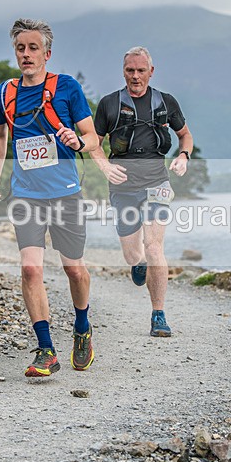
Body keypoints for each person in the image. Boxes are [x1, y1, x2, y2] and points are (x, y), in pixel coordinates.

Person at [0, 18, 99, 377]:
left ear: (47, 53)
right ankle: (46, 349)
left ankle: (82, 326)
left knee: (73, 269)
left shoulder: (67, 88)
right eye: (21, 48)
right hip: (25, 194)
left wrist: (78, 142)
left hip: (65, 193)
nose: (26, 54)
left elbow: (93, 137)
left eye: (33, 48)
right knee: (31, 268)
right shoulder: (4, 93)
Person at [90, 46, 193, 337]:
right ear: (123, 72)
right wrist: (104, 168)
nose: (135, 76)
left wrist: (183, 156)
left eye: (141, 70)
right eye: (130, 71)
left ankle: (158, 314)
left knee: (153, 245)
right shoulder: (109, 104)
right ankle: (138, 265)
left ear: (151, 71)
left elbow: (185, 135)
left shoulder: (166, 102)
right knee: (133, 254)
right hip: (122, 186)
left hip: (157, 183)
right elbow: (94, 142)